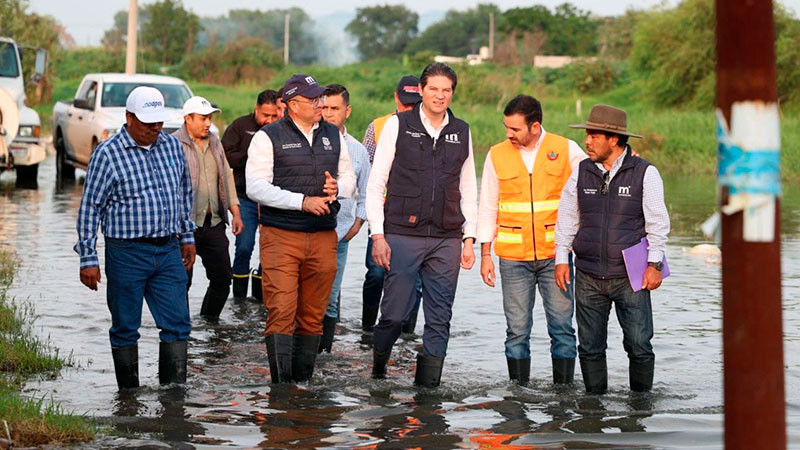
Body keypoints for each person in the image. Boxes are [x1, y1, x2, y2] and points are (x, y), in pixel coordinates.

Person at [75, 86, 196, 389]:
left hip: (168, 250)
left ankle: (173, 399)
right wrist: (88, 257)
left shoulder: (171, 146)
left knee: (178, 323)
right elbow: (91, 207)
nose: (155, 129)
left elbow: (183, 194)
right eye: (147, 123)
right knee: (126, 327)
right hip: (126, 253)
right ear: (129, 117)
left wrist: (187, 236)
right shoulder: (107, 154)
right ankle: (128, 399)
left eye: (159, 122)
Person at [366, 62, 478, 388]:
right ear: (422, 90)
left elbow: (468, 186)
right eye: (434, 89)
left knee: (440, 317)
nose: (440, 96)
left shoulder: (462, 131)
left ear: (452, 93)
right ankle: (378, 372)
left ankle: (427, 395)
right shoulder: (397, 126)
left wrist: (469, 238)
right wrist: (378, 235)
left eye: (447, 90)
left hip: (447, 237)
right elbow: (376, 185)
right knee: (394, 315)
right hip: (401, 233)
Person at [246, 74, 356, 383]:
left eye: (321, 98)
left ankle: (303, 386)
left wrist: (339, 187)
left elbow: (349, 178)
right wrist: (302, 202)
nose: (321, 104)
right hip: (281, 235)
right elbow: (255, 187)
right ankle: (281, 390)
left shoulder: (334, 135)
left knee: (313, 315)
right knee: (281, 309)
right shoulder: (268, 137)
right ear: (293, 105)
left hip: (323, 234)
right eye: (313, 100)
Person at [554, 104, 670, 394]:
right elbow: (567, 217)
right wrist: (561, 258)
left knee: (639, 345)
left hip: (631, 277)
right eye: (587, 135)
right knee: (590, 347)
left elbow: (658, 222)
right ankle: (593, 410)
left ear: (614, 139)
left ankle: (640, 409)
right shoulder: (580, 172)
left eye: (594, 135)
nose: (587, 141)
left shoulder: (646, 173)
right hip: (588, 276)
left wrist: (654, 265)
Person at [477, 95, 586, 386]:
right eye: (506, 127)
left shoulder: (566, 149)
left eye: (515, 129)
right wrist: (485, 254)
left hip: (556, 257)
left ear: (535, 126)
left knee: (562, 329)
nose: (508, 134)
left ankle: (563, 394)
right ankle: (518, 394)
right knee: (516, 331)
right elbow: (487, 206)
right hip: (512, 259)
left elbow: (594, 180)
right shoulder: (496, 154)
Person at [361, 75, 423, 334]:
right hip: (383, 214)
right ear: (396, 98)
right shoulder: (378, 126)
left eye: (414, 105)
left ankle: (406, 333)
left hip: (418, 216)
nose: (408, 110)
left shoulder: (431, 126)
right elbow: (366, 170)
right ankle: (367, 329)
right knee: (376, 273)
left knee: (414, 279)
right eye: (405, 104)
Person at [174, 96, 243, 318]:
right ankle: (181, 329)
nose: (208, 123)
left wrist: (236, 212)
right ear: (188, 119)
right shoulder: (174, 144)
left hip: (213, 223)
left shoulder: (215, 141)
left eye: (209, 118)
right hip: (185, 226)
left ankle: (209, 321)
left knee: (223, 278)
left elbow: (227, 176)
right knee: (182, 280)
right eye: (203, 118)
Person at [318, 83, 371, 353]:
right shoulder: (310, 142)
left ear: (347, 111)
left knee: (330, 299)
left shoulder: (358, 151)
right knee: (304, 296)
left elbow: (368, 192)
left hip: (340, 234)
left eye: (334, 108)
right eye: (324, 107)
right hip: (309, 230)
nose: (328, 113)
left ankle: (323, 354)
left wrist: (358, 223)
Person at [221, 89, 281, 301]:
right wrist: (253, 158)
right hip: (244, 197)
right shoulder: (240, 126)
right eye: (265, 115)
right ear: (256, 110)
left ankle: (259, 296)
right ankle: (238, 299)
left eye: (274, 115)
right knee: (244, 246)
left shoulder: (281, 131)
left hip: (273, 200)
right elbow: (224, 155)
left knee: (270, 251)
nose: (269, 120)